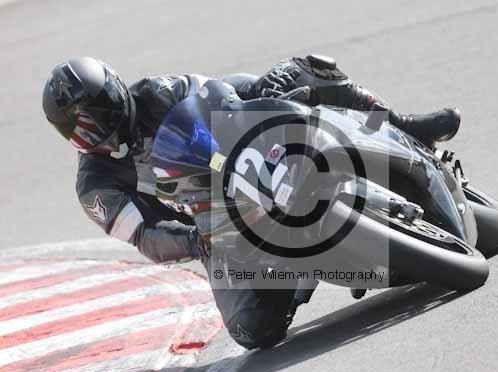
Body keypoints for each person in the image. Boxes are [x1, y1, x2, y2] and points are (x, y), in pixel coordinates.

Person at [42, 55, 460, 349]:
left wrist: (256, 96)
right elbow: (145, 235)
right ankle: (301, 268)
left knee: (304, 70)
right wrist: (195, 242)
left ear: (116, 90)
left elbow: (218, 95)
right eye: (81, 127)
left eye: (100, 110)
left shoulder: (158, 92)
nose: (97, 128)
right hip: (213, 225)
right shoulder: (95, 186)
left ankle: (403, 125)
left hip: (242, 150)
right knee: (251, 331)